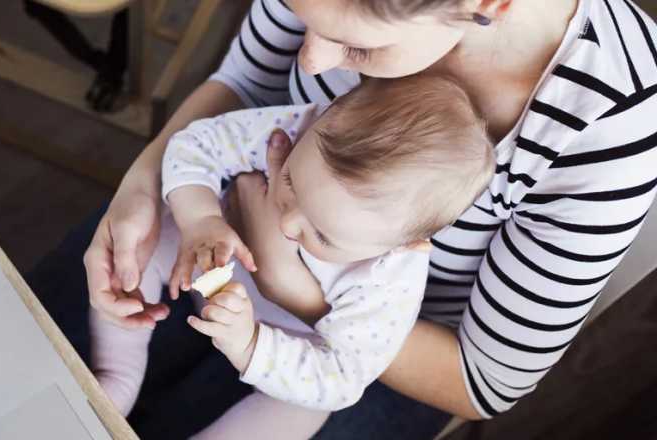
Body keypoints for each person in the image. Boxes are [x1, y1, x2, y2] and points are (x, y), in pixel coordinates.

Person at [35, 0, 657, 437]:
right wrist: (144, 183)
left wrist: (297, 291)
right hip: (227, 207)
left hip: (383, 343)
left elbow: (482, 382)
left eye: (357, 46)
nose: (310, 64)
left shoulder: (616, 117)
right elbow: (246, 83)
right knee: (31, 360)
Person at [89, 74, 494, 439]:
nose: (287, 224)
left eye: (321, 234)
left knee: (307, 406)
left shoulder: (391, 280)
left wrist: (252, 344)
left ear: (405, 245)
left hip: (294, 338)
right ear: (323, 116)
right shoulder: (303, 128)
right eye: (290, 181)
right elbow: (196, 144)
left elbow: (341, 374)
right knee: (145, 243)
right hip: (215, 248)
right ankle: (115, 376)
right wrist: (201, 218)